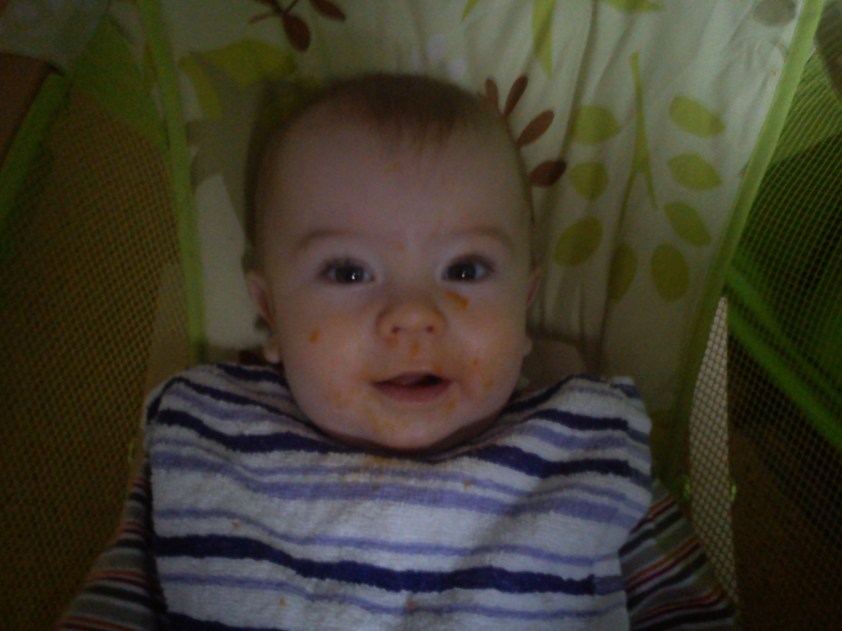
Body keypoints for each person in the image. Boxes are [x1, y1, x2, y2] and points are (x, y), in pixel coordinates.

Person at [59, 73, 733, 630]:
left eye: (465, 269)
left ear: (524, 306)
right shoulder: (212, 437)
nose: (413, 315)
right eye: (348, 271)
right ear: (271, 312)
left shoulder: (581, 449)